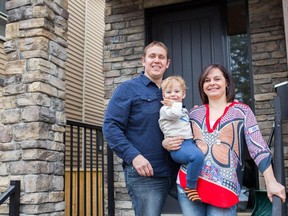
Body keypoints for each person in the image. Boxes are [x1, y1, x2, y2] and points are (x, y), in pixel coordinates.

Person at [162, 64, 286, 215]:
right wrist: (165, 143)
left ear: (227, 83)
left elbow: (257, 146)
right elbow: (175, 133)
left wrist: (271, 181)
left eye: (217, 79)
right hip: (189, 187)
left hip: (224, 189)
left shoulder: (241, 111)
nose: (212, 83)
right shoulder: (193, 113)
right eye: (207, 80)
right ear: (202, 86)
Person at [102, 41, 180, 216]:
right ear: (143, 61)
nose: (156, 60)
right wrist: (134, 157)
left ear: (167, 63)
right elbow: (110, 127)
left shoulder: (172, 92)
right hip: (146, 174)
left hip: (177, 170)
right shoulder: (128, 89)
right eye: (152, 56)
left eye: (161, 57)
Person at [159, 75, 204, 202]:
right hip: (178, 146)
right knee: (197, 156)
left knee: (202, 155)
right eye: (168, 92)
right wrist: (175, 104)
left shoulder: (183, 110)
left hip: (188, 143)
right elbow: (176, 114)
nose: (173, 95)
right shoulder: (165, 110)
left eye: (177, 91)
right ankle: (190, 187)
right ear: (163, 96)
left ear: (183, 94)